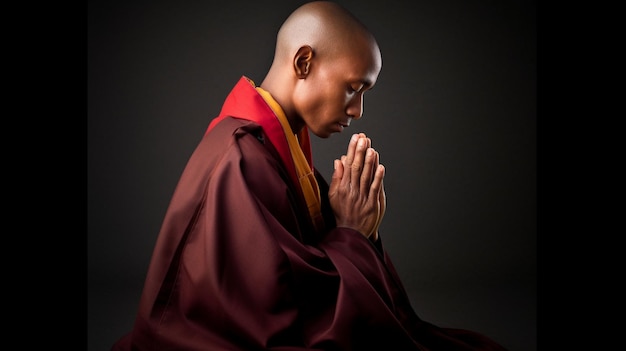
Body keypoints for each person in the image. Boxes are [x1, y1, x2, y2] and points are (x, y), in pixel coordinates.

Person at [111, 1, 507, 350]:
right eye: (354, 88)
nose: (358, 111)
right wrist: (350, 235)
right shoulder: (240, 157)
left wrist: (344, 223)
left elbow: (293, 267)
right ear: (304, 63)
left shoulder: (277, 141)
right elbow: (275, 312)